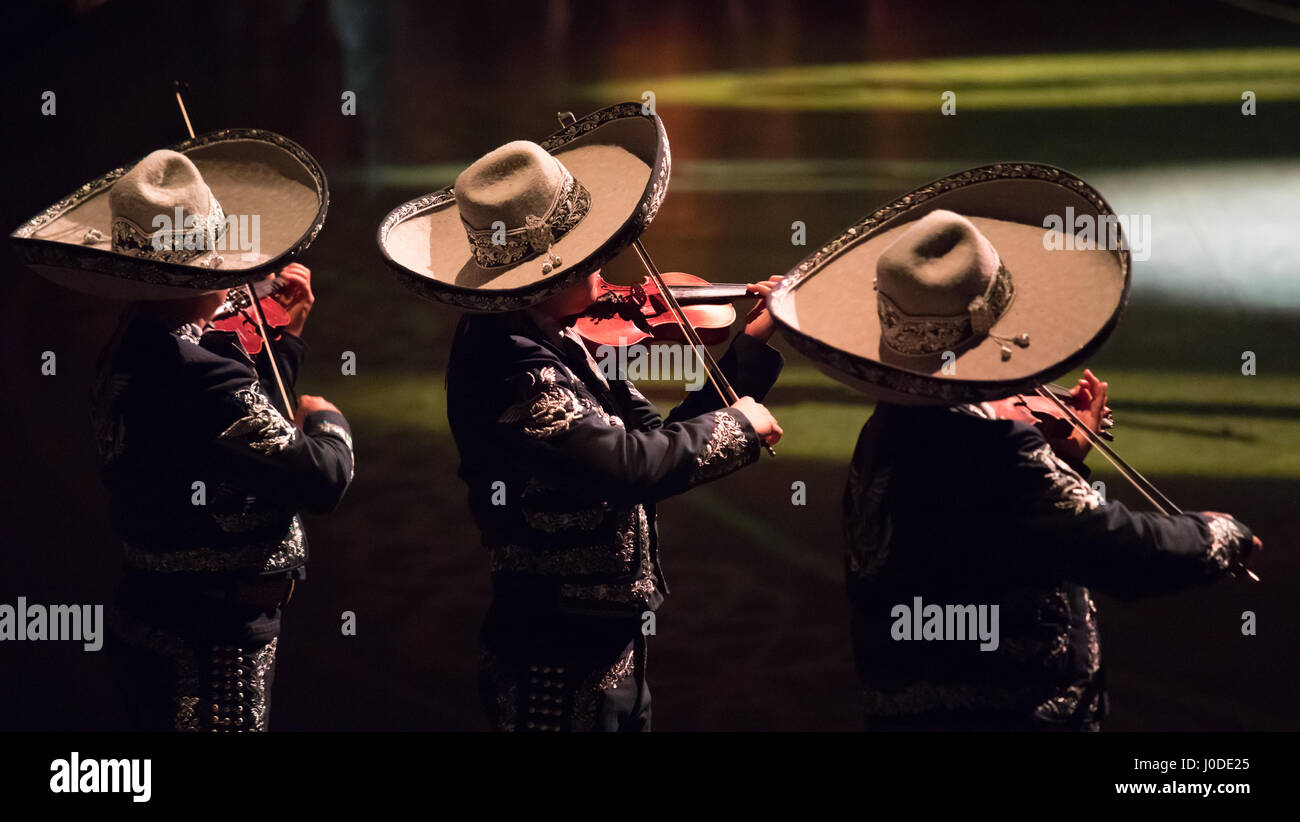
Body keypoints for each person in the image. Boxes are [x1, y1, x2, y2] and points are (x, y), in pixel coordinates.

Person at [758, 170, 1260, 731]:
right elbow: (1114, 549)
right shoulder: (999, 448)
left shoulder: (888, 426)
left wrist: (1061, 460)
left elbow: (982, 532)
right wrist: (1216, 536)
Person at [378, 105, 782, 730]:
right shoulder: (510, 366)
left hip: (603, 637)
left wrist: (751, 349)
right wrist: (737, 430)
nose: (604, 260)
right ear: (539, 275)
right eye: (583, 251)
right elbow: (626, 467)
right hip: (555, 645)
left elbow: (653, 441)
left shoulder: (561, 337)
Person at [17, 143, 351, 731]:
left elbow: (237, 443)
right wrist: (327, 421)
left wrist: (282, 343)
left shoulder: (131, 342)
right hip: (210, 636)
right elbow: (318, 478)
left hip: (161, 612)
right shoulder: (200, 370)